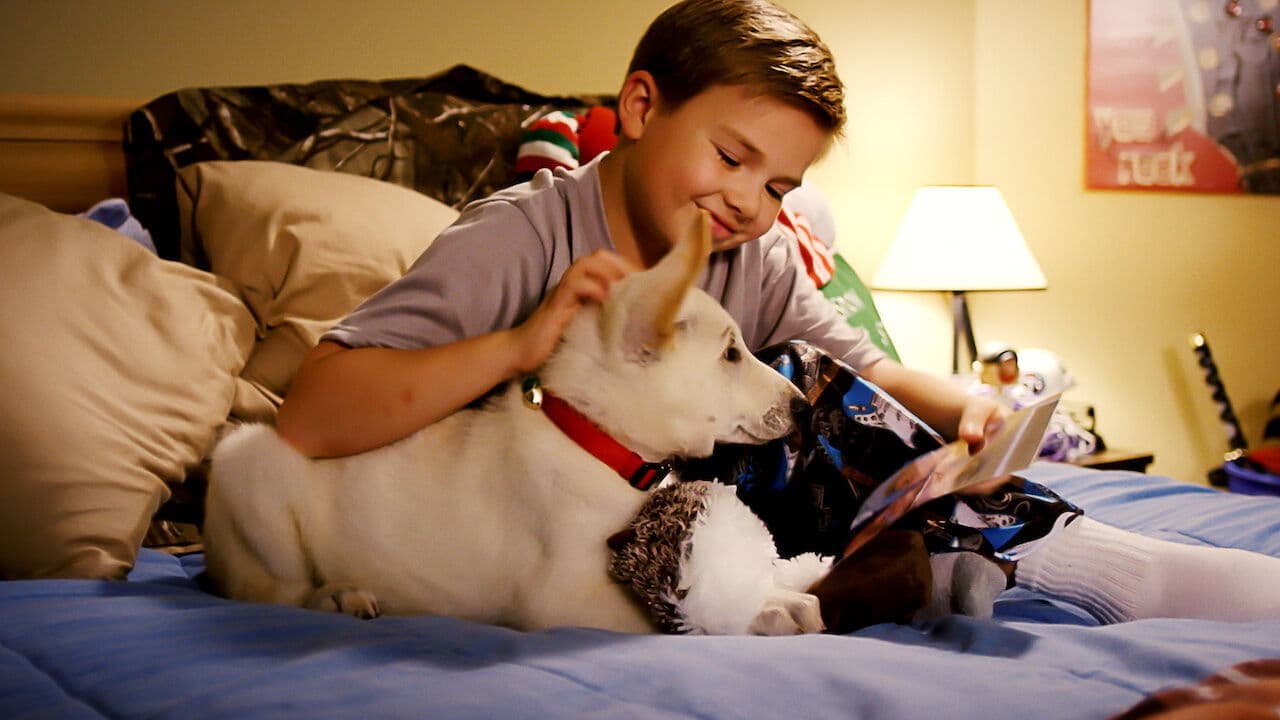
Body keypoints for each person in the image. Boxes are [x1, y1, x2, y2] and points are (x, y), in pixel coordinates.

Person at [276, 0, 1280, 625]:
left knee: (810, 390)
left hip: (692, 515)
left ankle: (1016, 560)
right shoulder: (520, 236)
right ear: (639, 109)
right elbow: (311, 416)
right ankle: (1034, 567)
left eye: (780, 186)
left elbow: (865, 371)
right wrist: (519, 345)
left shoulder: (747, 255)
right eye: (730, 157)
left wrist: (967, 405)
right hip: (536, 519)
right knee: (795, 395)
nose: (749, 203)